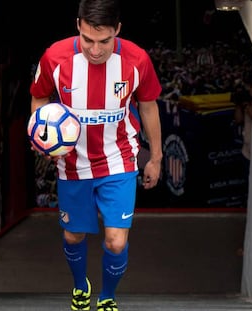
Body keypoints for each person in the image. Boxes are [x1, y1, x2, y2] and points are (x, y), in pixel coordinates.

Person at [29, 0, 163, 310]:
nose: (96, 50)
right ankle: (80, 286)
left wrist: (155, 157)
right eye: (88, 40)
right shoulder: (55, 57)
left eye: (104, 41)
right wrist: (43, 139)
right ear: (78, 25)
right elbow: (39, 98)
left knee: (116, 241)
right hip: (72, 165)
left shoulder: (137, 60)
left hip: (120, 161)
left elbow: (148, 106)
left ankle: (107, 297)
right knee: (74, 237)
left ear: (118, 29)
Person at [232, 82, 252, 208]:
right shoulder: (248, 103)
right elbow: (238, 120)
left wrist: (248, 105)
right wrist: (239, 105)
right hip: (247, 152)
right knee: (248, 187)